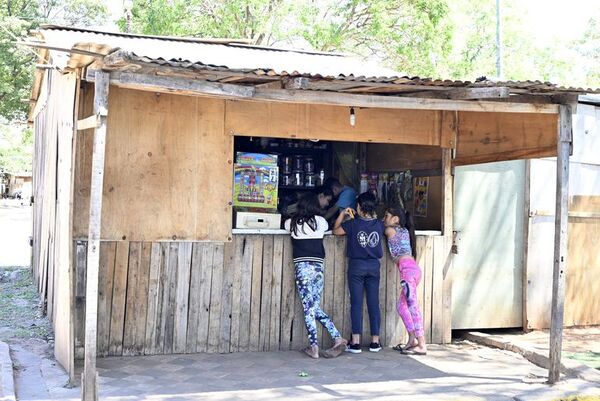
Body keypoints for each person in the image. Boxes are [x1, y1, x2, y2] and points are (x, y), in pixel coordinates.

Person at [284, 193, 347, 359]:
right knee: (313, 307)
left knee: (308, 308)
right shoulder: (321, 222)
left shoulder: (292, 223)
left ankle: (314, 347)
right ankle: (338, 337)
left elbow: (284, 225)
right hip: (318, 267)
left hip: (303, 268)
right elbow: (326, 229)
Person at [333, 191, 384, 353]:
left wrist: (342, 215)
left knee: (356, 303)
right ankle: (375, 342)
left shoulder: (353, 225)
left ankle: (355, 342)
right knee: (373, 303)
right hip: (374, 266)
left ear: (359, 207)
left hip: (356, 266)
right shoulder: (379, 224)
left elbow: (336, 231)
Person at [384, 206, 427, 355]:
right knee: (402, 307)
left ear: (395, 219)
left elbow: (377, 227)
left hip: (408, 273)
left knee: (412, 306)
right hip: (413, 270)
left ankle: (422, 344)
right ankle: (412, 339)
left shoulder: (390, 231)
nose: (384, 219)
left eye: (387, 216)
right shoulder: (405, 231)